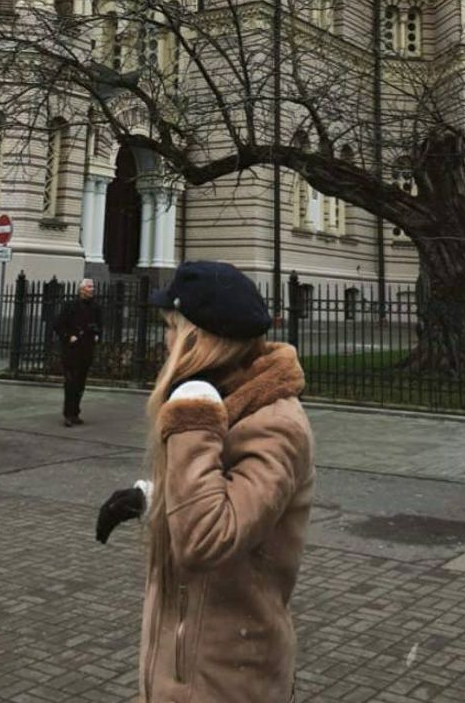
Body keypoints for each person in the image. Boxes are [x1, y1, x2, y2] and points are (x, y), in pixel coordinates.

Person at [96, 261, 315, 703]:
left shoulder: (275, 426)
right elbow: (227, 492)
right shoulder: (232, 402)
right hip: (186, 662)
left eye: (171, 328)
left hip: (228, 676)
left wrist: (191, 414)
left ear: (197, 339)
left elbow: (207, 537)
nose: (165, 340)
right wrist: (150, 497)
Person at [53, 278, 102, 427]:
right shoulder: (70, 306)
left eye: (92, 287)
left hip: (86, 349)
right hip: (71, 351)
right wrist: (69, 336)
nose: (92, 289)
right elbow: (58, 325)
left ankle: (75, 412)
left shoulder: (96, 307)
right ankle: (68, 413)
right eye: (89, 287)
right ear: (81, 289)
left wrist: (97, 335)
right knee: (70, 383)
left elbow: (100, 325)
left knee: (80, 383)